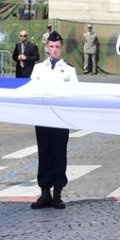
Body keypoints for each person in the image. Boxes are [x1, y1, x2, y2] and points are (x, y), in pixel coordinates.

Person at [28, 31, 78, 209]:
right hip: (42, 117)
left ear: (62, 48)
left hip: (60, 118)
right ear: (47, 48)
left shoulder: (69, 70)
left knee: (58, 154)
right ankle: (44, 193)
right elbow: (32, 91)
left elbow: (74, 95)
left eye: (57, 47)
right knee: (44, 153)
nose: (54, 50)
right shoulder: (38, 69)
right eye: (51, 47)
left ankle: (57, 193)